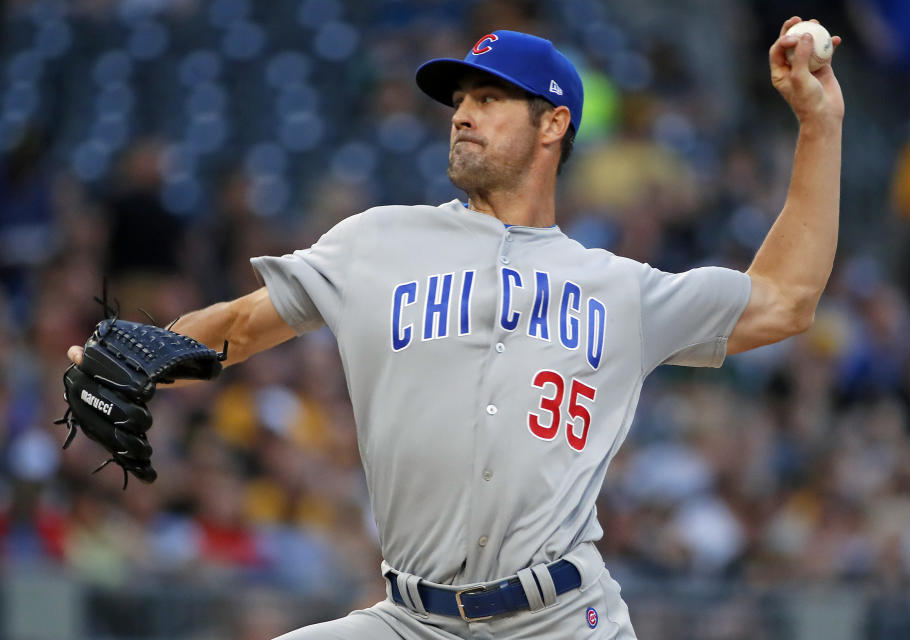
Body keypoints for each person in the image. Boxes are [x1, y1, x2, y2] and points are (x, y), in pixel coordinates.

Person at [68, 19, 844, 640]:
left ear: (554, 124)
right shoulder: (377, 241)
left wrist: (819, 123)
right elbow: (238, 324)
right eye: (460, 98)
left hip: (562, 621)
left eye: (491, 97)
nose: (463, 112)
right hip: (410, 620)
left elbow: (785, 298)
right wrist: (143, 358)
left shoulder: (620, 289)